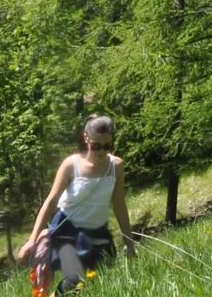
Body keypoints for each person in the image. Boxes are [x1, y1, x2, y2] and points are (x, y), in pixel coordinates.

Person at [19, 115, 134, 293]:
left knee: (100, 282)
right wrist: (31, 240)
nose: (102, 151)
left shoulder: (116, 166)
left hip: (98, 232)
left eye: (107, 146)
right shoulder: (71, 165)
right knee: (75, 281)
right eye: (96, 146)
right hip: (67, 232)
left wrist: (129, 241)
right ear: (86, 138)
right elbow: (50, 202)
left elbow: (119, 204)